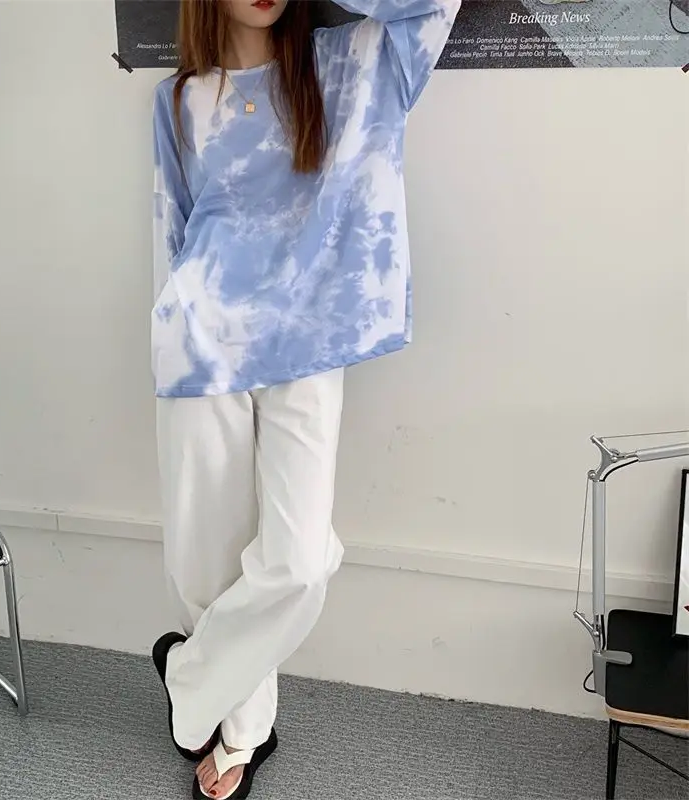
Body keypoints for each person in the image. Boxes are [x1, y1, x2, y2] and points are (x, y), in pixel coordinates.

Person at [150, 1, 460, 797]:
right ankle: (245, 732)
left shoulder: (352, 64)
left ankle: (189, 679)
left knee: (298, 564)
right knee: (207, 565)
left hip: (308, 344)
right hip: (202, 343)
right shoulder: (177, 99)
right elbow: (173, 232)